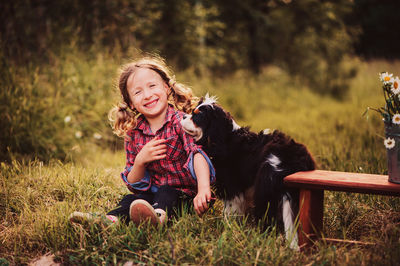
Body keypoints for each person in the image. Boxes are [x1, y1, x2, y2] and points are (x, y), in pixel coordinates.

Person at [71, 56, 215, 226]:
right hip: (151, 196)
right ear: (131, 103)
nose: (147, 95)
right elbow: (133, 184)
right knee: (130, 200)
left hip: (184, 196)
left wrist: (204, 189)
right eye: (138, 92)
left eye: (152, 86)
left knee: (166, 192)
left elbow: (196, 154)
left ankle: (158, 218)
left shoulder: (181, 122)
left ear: (167, 88)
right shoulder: (134, 132)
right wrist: (140, 161)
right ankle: (110, 220)